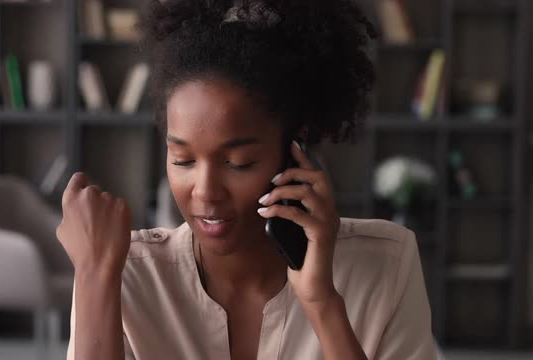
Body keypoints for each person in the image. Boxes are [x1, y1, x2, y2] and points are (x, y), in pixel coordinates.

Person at [56, 0, 438, 359]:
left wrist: (322, 303)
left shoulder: (386, 264)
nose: (205, 191)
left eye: (239, 162)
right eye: (183, 159)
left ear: (294, 150)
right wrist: (93, 276)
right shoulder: (124, 270)